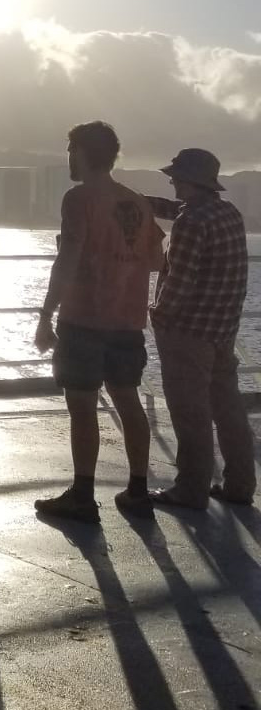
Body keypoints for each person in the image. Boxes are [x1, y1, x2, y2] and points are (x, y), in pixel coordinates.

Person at [32, 121, 164, 522]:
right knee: (128, 401)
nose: (68, 157)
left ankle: (83, 495)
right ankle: (138, 490)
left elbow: (68, 259)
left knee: (83, 406)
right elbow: (158, 260)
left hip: (85, 319)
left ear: (82, 152)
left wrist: (45, 314)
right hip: (127, 321)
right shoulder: (137, 201)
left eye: (71, 150)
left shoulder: (79, 198)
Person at [144, 148, 253, 510]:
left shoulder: (191, 222)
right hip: (223, 328)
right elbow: (178, 211)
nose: (171, 180)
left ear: (190, 179)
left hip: (188, 331)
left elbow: (180, 280)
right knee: (228, 407)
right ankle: (240, 484)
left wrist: (157, 313)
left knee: (190, 413)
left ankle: (190, 489)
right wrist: (142, 201)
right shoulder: (227, 212)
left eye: (176, 176)